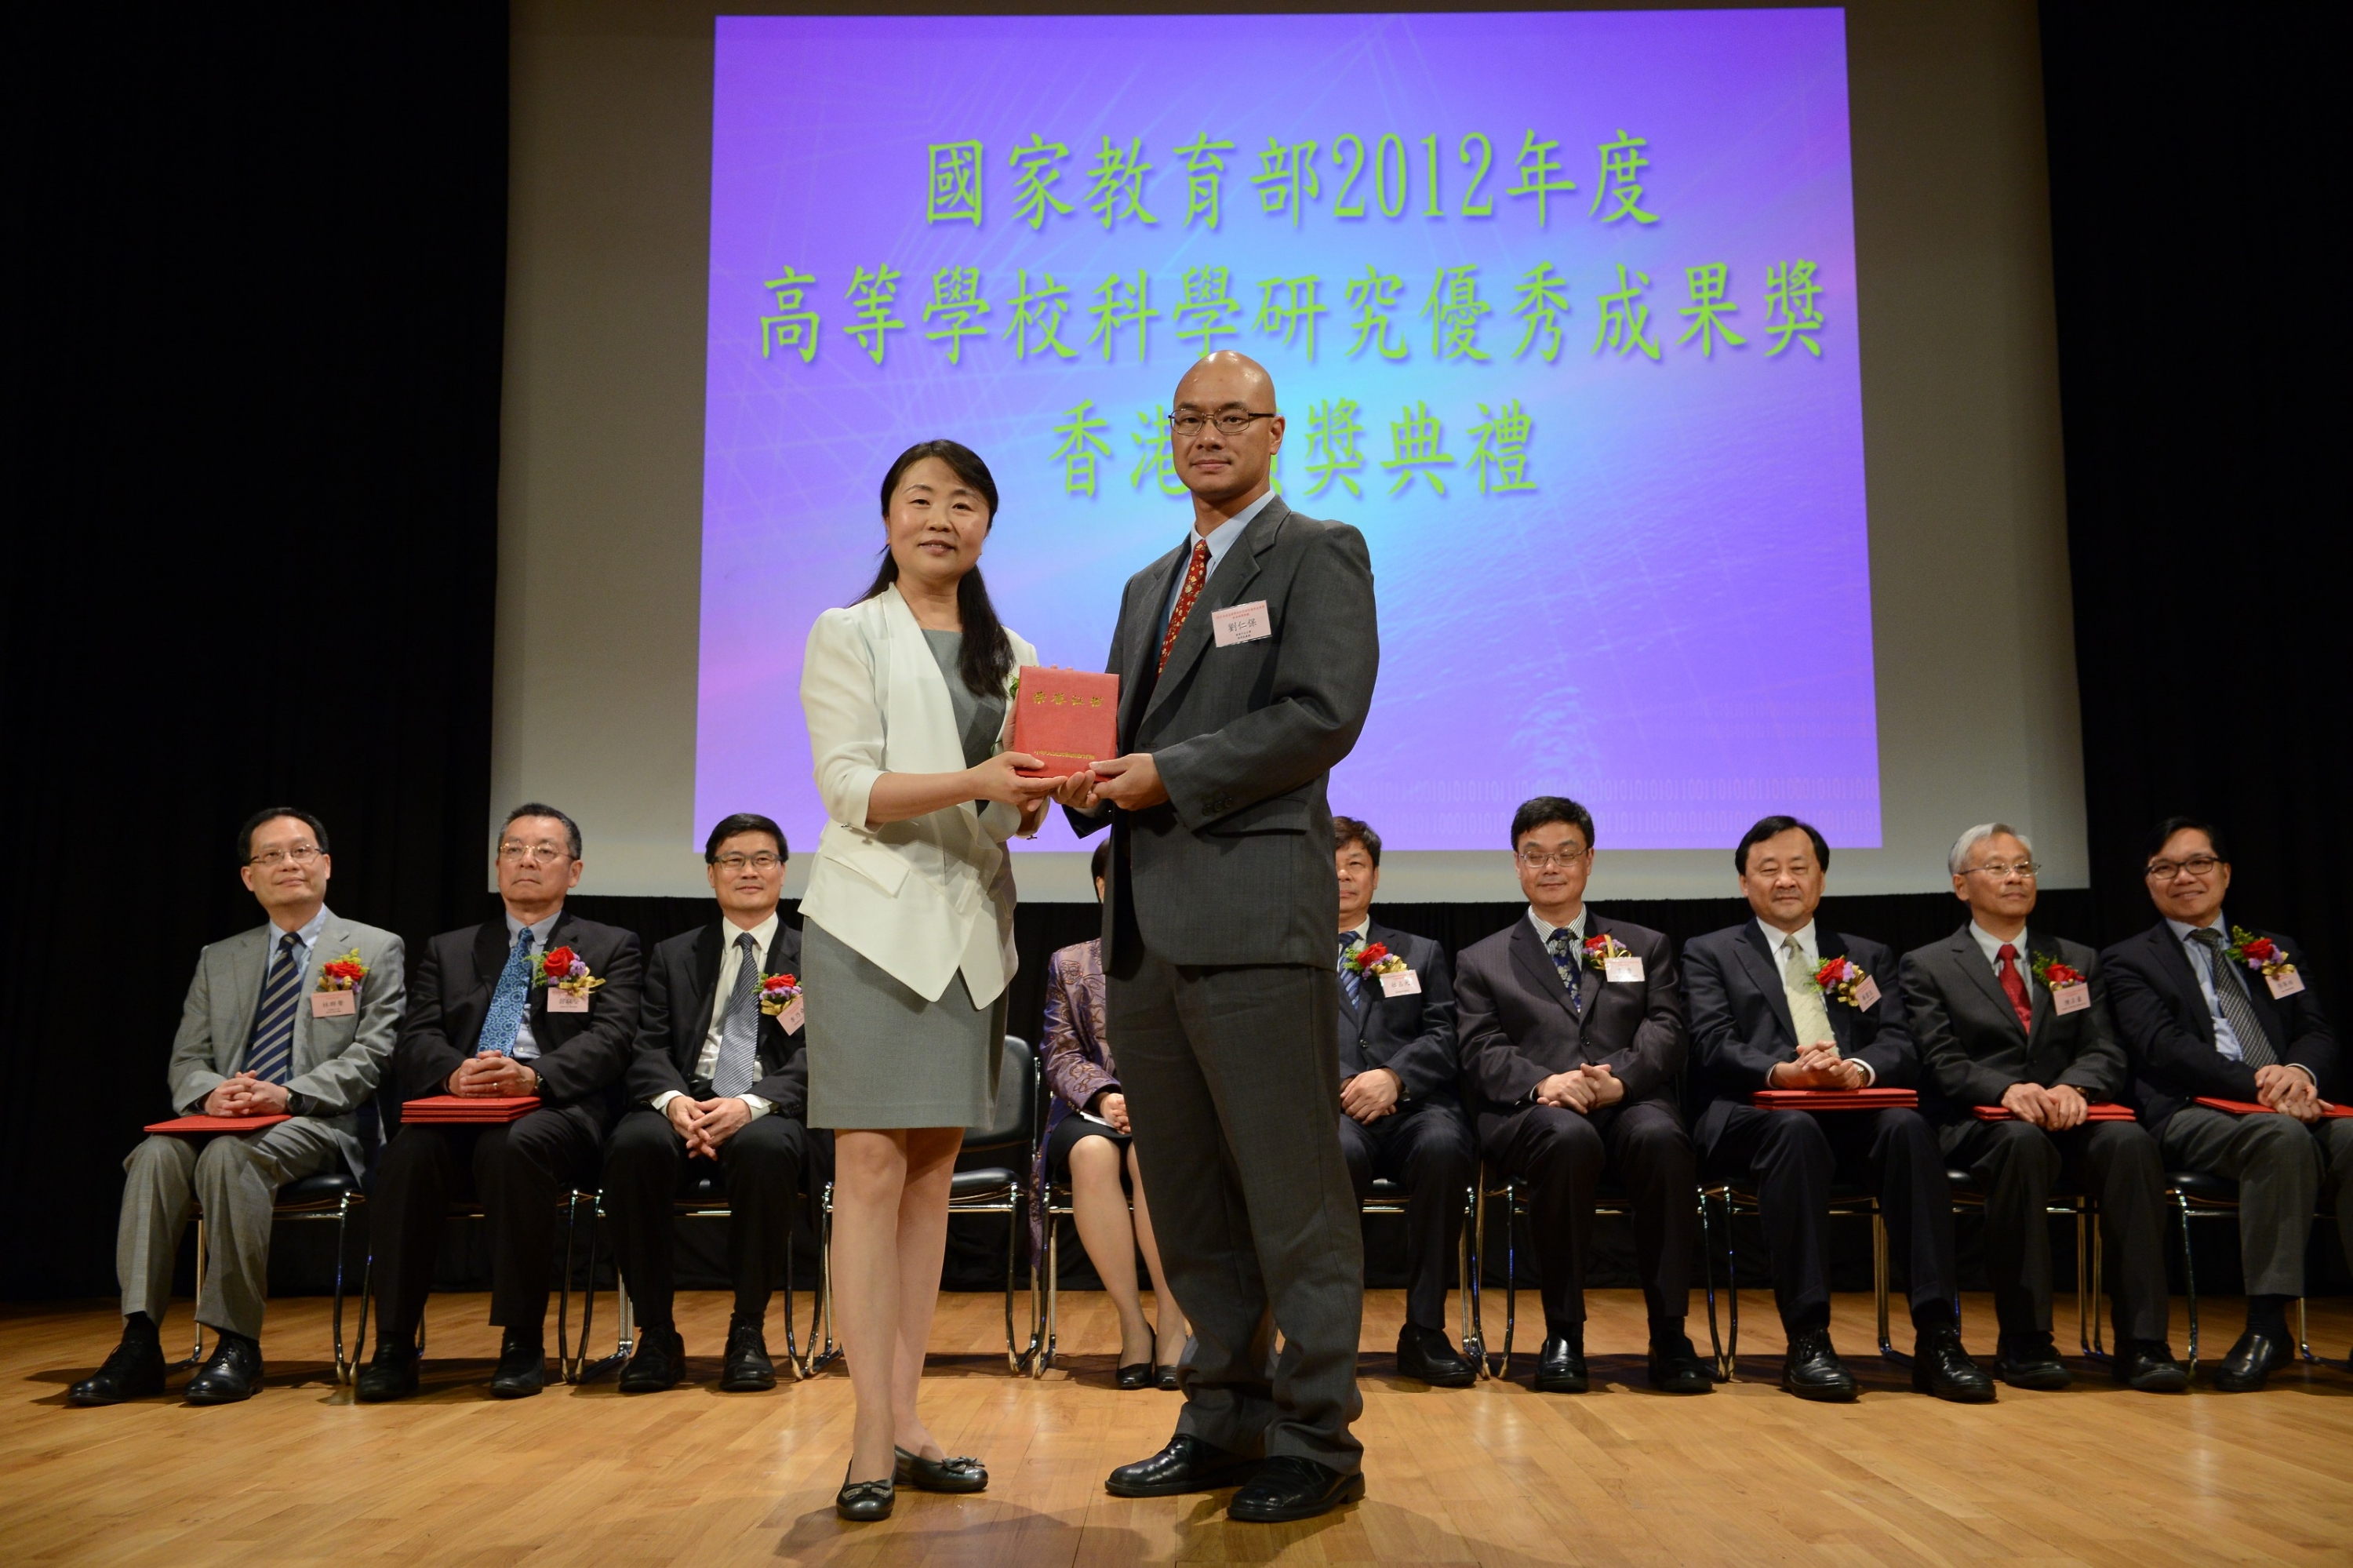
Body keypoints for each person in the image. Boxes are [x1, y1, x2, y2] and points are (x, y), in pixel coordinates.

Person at [1058, 351, 1379, 1525]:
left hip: (1253, 920)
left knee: (1292, 1194)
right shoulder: (1152, 582)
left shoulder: (1316, 551)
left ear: (1276, 430)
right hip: (1141, 930)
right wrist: (1078, 780)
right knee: (1189, 1197)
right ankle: (1222, 1413)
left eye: (1231, 418)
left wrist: (1163, 774)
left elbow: (1320, 715)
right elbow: (1116, 730)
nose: (1207, 436)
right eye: (1189, 419)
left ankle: (1316, 1434)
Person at [798, 438, 1057, 1522]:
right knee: (866, 1166)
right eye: (919, 499)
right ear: (889, 517)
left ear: (989, 524)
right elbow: (849, 784)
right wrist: (980, 780)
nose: (940, 517)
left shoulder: (1019, 654)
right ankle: (865, 1429)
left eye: (963, 501)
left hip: (968, 933)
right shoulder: (846, 631)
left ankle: (908, 1417)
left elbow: (1001, 810)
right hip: (868, 923)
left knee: (931, 1178)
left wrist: (1027, 803)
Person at [70, 809, 405, 1407]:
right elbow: (186, 1059)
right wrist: (209, 1092)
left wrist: (288, 1093)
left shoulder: (374, 948)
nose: (288, 865)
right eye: (270, 856)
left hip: (317, 1120)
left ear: (326, 865)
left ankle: (236, 1341)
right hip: (227, 1115)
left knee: (228, 1157)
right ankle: (140, 1339)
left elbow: (372, 1056)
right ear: (249, 877)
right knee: (152, 1155)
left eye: (301, 851)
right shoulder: (218, 956)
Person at [1683, 816, 1990, 1402]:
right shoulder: (1711, 952)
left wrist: (1860, 1069)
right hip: (1755, 1117)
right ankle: (1809, 1337)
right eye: (1768, 869)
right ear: (1744, 883)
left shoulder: (1864, 954)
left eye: (1800, 867)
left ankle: (1938, 1336)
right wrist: (1786, 1072)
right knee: (1794, 1129)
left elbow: (1899, 1041)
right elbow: (1713, 1041)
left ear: (1822, 877)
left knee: (1908, 1127)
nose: (1785, 880)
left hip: (1854, 1112)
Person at [355, 803, 643, 1402]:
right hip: (462, 1107)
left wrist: (534, 1077)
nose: (527, 861)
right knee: (408, 1156)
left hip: (555, 1114)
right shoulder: (452, 947)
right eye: (514, 849)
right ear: (496, 865)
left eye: (545, 850)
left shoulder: (611, 946)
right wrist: (457, 1073)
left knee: (513, 1146)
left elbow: (613, 1041)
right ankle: (393, 1343)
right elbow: (416, 1039)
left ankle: (520, 1340)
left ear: (575, 869)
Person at [1899, 822, 2186, 1392]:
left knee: (2131, 1144)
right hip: (1980, 1125)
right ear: (1961, 885)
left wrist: (2075, 1087)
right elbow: (1939, 1058)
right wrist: (2004, 1091)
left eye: (2024, 867)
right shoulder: (1928, 964)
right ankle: (2026, 1340)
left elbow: (2105, 1047)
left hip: (2069, 1115)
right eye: (1998, 867)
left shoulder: (2075, 957)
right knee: (2020, 1143)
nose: (2015, 877)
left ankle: (2143, 1342)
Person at [1455, 797, 1713, 1396]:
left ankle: (1669, 1332)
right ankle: (1563, 1332)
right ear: (1516, 864)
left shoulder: (1642, 944)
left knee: (1661, 1137)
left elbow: (1668, 1029)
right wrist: (1547, 1082)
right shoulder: (1482, 957)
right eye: (1535, 855)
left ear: (1590, 860)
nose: (1552, 866)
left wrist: (1617, 1079)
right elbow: (1479, 1048)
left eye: (1566, 853)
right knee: (1566, 1138)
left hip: (1627, 1097)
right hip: (1534, 1110)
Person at [2102, 817, 2348, 1388]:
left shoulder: (2270, 949)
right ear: (2148, 882)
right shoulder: (2129, 959)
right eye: (2164, 867)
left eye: (2198, 863)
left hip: (2290, 1097)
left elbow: (2316, 1030)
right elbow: (2163, 1047)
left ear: (2225, 872)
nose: (2183, 876)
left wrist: (2297, 1073)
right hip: (2194, 1110)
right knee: (2279, 1137)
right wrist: (2262, 1085)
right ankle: (2268, 1325)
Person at [604, 812, 827, 1395]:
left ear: (783, 871)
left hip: (767, 1108)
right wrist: (675, 1101)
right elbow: (646, 1043)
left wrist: (751, 1104)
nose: (748, 871)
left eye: (762, 859)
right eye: (734, 860)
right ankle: (656, 1333)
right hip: (685, 1101)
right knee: (632, 1146)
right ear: (711, 874)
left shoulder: (819, 952)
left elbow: (825, 1054)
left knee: (765, 1150)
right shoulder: (674, 953)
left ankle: (747, 1330)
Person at [1328, 815, 1477, 1388]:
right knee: (1332, 1155)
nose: (1341, 875)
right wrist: (1348, 1085)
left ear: (1376, 875)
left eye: (1355, 864)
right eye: (1329, 864)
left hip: (1416, 1107)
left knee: (1445, 1147)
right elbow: (1281, 1036)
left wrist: (1393, 1077)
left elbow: (1446, 1034)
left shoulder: (1419, 950)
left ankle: (1425, 1329)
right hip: (1336, 1109)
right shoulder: (1290, 954)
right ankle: (1332, 1335)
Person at [1033, 839, 1187, 1390]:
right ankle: (1132, 1323)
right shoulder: (1070, 962)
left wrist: (1150, 1098)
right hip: (1090, 1108)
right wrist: (1105, 1096)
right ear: (1102, 889)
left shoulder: (1185, 956)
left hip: (1171, 1105)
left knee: (1154, 1154)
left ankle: (1173, 1317)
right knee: (1093, 1153)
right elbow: (1059, 1052)